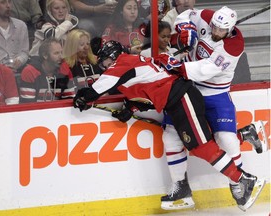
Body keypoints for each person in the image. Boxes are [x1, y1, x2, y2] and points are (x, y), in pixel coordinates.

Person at [72, 40, 265, 212]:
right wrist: (130, 107)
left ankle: (242, 179)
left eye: (105, 62)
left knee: (201, 146)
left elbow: (103, 85)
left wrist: (84, 96)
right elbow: (149, 89)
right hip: (174, 103)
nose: (104, 67)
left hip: (182, 99)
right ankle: (181, 188)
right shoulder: (131, 66)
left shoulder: (122, 63)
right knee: (172, 140)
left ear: (112, 57)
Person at [156, 6, 267, 210]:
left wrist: (174, 65)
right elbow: (186, 14)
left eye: (220, 30)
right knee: (170, 136)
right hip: (187, 88)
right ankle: (180, 188)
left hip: (214, 94)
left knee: (224, 139)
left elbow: (204, 71)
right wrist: (185, 27)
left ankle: (239, 183)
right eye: (214, 27)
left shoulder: (234, 46)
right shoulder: (208, 17)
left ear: (231, 29)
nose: (215, 32)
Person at [19, 38, 76, 103]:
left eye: (61, 53)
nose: (61, 57)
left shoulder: (64, 69)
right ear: (45, 55)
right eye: (56, 53)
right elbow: (28, 105)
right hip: (37, 111)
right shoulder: (30, 71)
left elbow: (69, 101)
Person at [0, 0, 29, 72]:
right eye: (3, 2)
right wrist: (1, 67)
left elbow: (25, 52)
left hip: (17, 71)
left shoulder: (21, 26)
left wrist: (19, 61)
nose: (8, 6)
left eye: (9, 2)